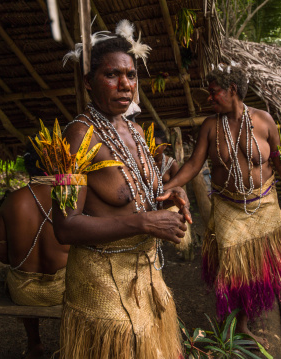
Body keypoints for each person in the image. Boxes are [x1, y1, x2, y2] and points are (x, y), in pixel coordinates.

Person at [55, 20, 191, 359]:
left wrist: (172, 196)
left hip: (146, 275)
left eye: (131, 75)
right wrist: (144, 223)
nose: (125, 84)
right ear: (88, 82)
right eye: (112, 75)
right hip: (102, 285)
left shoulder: (133, 131)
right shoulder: (77, 137)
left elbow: (143, 191)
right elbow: (64, 226)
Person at [160, 64, 281, 348]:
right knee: (232, 270)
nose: (209, 98)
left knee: (259, 269)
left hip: (264, 204)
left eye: (214, 92)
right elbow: (194, 164)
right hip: (229, 207)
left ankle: (247, 321)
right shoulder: (210, 126)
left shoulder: (264, 121)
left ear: (233, 90)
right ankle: (235, 327)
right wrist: (167, 187)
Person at [0, 147, 69, 359]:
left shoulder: (11, 201)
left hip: (23, 292)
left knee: (17, 274)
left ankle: (35, 343)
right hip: (64, 290)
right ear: (55, 166)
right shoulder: (68, 199)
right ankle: (69, 343)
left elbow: (0, 255)